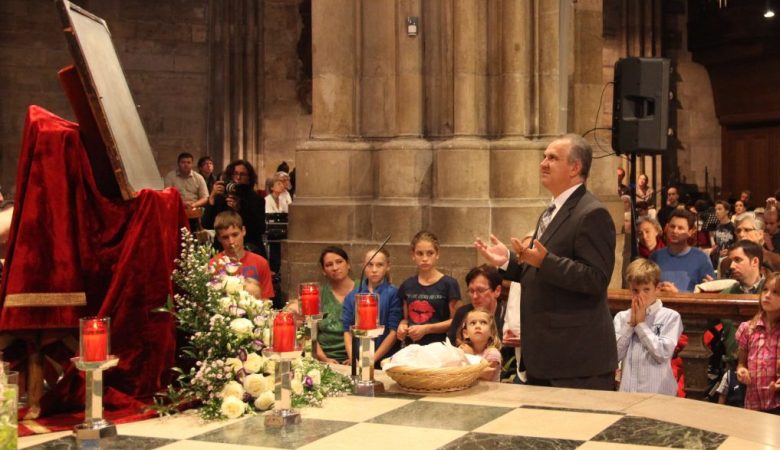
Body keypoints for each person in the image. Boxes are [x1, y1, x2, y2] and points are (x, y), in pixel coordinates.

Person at [475, 134, 617, 390]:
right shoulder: (553, 209)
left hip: (576, 360)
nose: (543, 163)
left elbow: (596, 278)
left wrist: (546, 261)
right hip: (548, 354)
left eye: (552, 158)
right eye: (544, 156)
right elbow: (540, 270)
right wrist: (508, 261)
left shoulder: (592, 212)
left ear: (575, 168)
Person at [614, 259, 683, 395]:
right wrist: (630, 326)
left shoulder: (671, 317)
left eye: (646, 290)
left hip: (658, 393)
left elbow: (662, 354)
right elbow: (614, 355)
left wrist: (640, 325)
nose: (640, 296)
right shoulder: (622, 317)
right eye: (635, 290)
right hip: (628, 392)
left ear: (657, 288)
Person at [396, 231, 461, 346]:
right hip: (412, 347)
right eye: (420, 253)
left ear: (437, 254)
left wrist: (427, 329)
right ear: (413, 255)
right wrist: (402, 326)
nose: (425, 258)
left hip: (439, 346)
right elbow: (406, 318)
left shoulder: (449, 284)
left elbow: (456, 321)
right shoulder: (407, 285)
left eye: (430, 253)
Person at [342, 248, 402, 367]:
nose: (374, 270)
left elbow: (393, 332)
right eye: (370, 265)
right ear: (364, 266)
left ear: (387, 266)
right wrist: (353, 359)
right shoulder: (352, 296)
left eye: (379, 265)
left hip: (385, 362)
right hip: (358, 361)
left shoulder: (394, 294)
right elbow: (347, 331)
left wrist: (370, 361)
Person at [736, 272, 780, 413]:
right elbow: (741, 363)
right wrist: (741, 371)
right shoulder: (748, 328)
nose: (767, 296)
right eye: (765, 290)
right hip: (754, 402)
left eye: (775, 292)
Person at [202, 160, 266, 257]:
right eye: (235, 174)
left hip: (248, 248)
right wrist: (211, 198)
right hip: (222, 248)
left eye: (242, 174)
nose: (238, 178)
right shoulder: (221, 197)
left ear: (249, 178)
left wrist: (239, 210)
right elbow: (207, 224)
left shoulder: (256, 199)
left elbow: (259, 229)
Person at [210, 211, 274, 299]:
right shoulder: (213, 265)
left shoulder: (260, 262)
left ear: (243, 231)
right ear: (218, 238)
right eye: (225, 237)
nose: (231, 241)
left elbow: (266, 300)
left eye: (235, 235)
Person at [650, 209, 715, 293]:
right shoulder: (655, 257)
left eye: (680, 228)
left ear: (690, 232)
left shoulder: (702, 258)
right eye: (672, 226)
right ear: (667, 228)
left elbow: (708, 294)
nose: (675, 231)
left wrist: (677, 293)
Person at [447, 265, 504, 345]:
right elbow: (451, 345)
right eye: (471, 291)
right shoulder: (462, 313)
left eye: (480, 290)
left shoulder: (509, 315)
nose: (474, 296)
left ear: (497, 291)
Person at [316, 246, 355, 364]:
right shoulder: (318, 295)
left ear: (348, 264)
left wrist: (356, 359)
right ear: (323, 271)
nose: (335, 268)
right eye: (329, 265)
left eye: (339, 262)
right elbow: (309, 333)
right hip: (325, 359)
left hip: (357, 358)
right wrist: (324, 359)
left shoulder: (363, 290)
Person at [164, 152, 209, 227]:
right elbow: (167, 197)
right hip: (177, 211)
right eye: (183, 162)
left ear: (192, 164)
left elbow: (205, 198)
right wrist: (182, 204)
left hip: (194, 211)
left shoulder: (198, 177)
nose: (186, 165)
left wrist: (194, 205)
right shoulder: (170, 176)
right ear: (178, 164)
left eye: (188, 162)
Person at [457, 308, 502, 382]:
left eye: (483, 322)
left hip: (490, 392)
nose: (477, 326)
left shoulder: (493, 353)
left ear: (491, 332)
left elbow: (486, 376)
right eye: (473, 323)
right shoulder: (463, 349)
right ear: (466, 333)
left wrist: (470, 357)